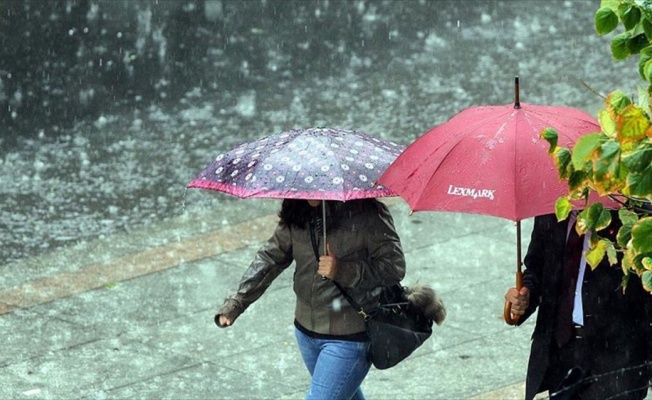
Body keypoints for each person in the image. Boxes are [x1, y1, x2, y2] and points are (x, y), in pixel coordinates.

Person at [216, 198, 406, 400]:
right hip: (305, 332)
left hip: (349, 336)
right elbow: (270, 259)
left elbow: (394, 267)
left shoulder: (368, 213)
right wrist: (237, 302)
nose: (308, 195)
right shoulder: (296, 211)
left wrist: (343, 270)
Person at [505, 210, 652, 400]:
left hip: (615, 358)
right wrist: (524, 295)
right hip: (563, 353)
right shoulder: (551, 211)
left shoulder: (627, 216)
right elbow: (537, 266)